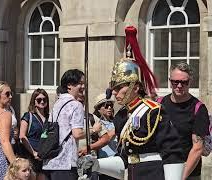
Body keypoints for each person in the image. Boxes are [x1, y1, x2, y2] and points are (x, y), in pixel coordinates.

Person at [91, 26, 184, 180]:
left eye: (120, 87)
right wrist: (96, 164)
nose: (114, 93)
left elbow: (173, 153)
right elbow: (124, 160)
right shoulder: (121, 116)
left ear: (136, 87)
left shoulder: (153, 111)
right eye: (113, 88)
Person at [157, 62, 210, 180]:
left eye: (184, 82)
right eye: (175, 82)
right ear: (170, 81)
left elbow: (197, 148)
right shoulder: (159, 104)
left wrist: (180, 177)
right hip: (161, 170)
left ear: (190, 82)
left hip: (188, 173)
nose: (179, 86)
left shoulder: (198, 108)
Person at [43, 69, 85, 180]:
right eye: (80, 83)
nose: (83, 87)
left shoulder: (57, 103)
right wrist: (93, 130)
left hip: (50, 161)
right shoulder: (76, 105)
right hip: (66, 162)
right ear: (70, 85)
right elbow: (77, 133)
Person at [79, 93, 117, 180]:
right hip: (103, 162)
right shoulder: (96, 122)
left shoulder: (114, 121)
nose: (109, 108)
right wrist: (117, 129)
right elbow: (106, 137)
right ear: (98, 108)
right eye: (106, 106)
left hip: (116, 160)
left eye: (111, 105)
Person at [19, 88, 49, 180]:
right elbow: (22, 136)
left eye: (44, 99)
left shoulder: (50, 117)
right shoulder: (28, 116)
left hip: (45, 157)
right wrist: (34, 153)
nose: (42, 102)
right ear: (34, 101)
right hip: (30, 157)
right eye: (39, 100)